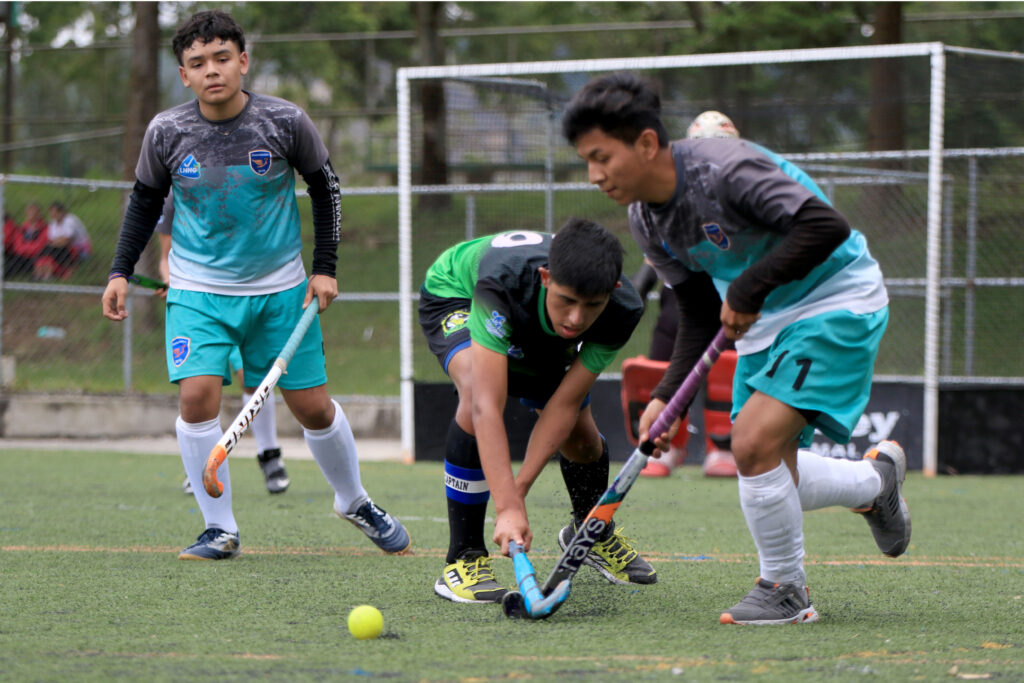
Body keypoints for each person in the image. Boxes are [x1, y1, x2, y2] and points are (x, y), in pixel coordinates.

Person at [563, 72, 910, 625]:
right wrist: (667, 394)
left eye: (601, 157)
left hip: (834, 299)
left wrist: (749, 287)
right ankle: (876, 484)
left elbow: (825, 225)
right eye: (587, 160)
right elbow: (698, 312)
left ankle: (785, 590)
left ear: (646, 143)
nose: (594, 175)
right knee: (773, 469)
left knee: (749, 444)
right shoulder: (646, 218)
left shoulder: (727, 172)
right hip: (767, 319)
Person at [101, 9, 409, 560]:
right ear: (184, 75)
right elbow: (145, 201)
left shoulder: (286, 121)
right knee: (198, 397)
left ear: (243, 62)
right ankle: (219, 528)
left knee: (313, 407)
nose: (212, 70)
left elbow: (326, 188)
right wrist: (120, 271)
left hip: (281, 292)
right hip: (198, 291)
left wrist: (326, 267)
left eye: (222, 58)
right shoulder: (166, 131)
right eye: (198, 63)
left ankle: (355, 500)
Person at [419, 219, 656, 604]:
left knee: (582, 438)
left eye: (591, 305)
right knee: (475, 390)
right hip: (460, 295)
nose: (576, 319)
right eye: (567, 301)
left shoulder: (622, 309)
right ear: (546, 277)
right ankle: (463, 558)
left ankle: (589, 532)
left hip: (536, 326)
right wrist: (507, 506)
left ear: (611, 292)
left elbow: (563, 404)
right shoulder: (503, 284)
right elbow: (487, 408)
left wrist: (520, 490)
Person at [155, 194, 290, 495]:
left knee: (251, 380)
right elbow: (166, 258)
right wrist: (173, 282)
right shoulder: (174, 198)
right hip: (199, 307)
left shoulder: (233, 187)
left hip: (241, 299)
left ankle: (270, 457)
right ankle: (201, 466)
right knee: (200, 387)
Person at [635, 110, 742, 479]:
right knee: (666, 361)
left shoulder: (749, 195)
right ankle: (668, 443)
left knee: (728, 371)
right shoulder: (663, 202)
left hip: (738, 301)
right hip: (682, 300)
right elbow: (655, 254)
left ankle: (724, 445)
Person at [36, 202, 90, 280]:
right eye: (51, 212)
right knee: (46, 249)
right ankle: (44, 272)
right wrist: (60, 240)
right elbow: (52, 240)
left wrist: (58, 241)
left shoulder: (70, 220)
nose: (53, 215)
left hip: (79, 249)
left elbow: (68, 240)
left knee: (56, 249)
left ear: (62, 212)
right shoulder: (53, 223)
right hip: (60, 247)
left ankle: (63, 270)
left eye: (55, 212)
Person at [4, 203, 49, 279]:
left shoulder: (44, 227)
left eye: (33, 211)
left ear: (39, 213)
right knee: (11, 264)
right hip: (21, 256)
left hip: (35, 257)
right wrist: (24, 249)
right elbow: (17, 244)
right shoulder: (23, 227)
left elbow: (39, 246)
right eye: (28, 211)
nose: (30, 214)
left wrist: (25, 248)